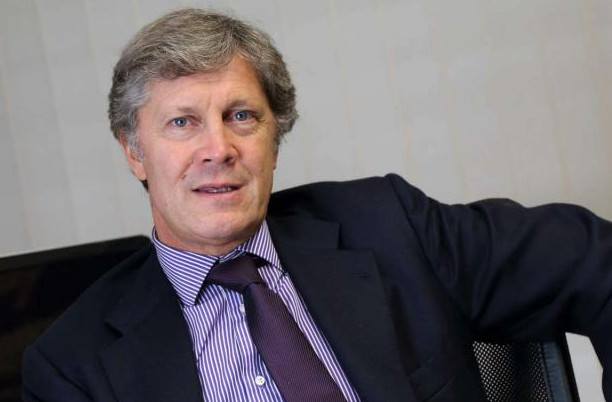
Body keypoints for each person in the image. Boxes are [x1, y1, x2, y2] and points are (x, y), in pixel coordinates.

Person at [22, 8, 612, 402]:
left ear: (275, 138)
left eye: (241, 116)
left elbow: (593, 259)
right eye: (182, 122)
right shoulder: (75, 368)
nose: (218, 149)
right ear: (134, 152)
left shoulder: (389, 227)